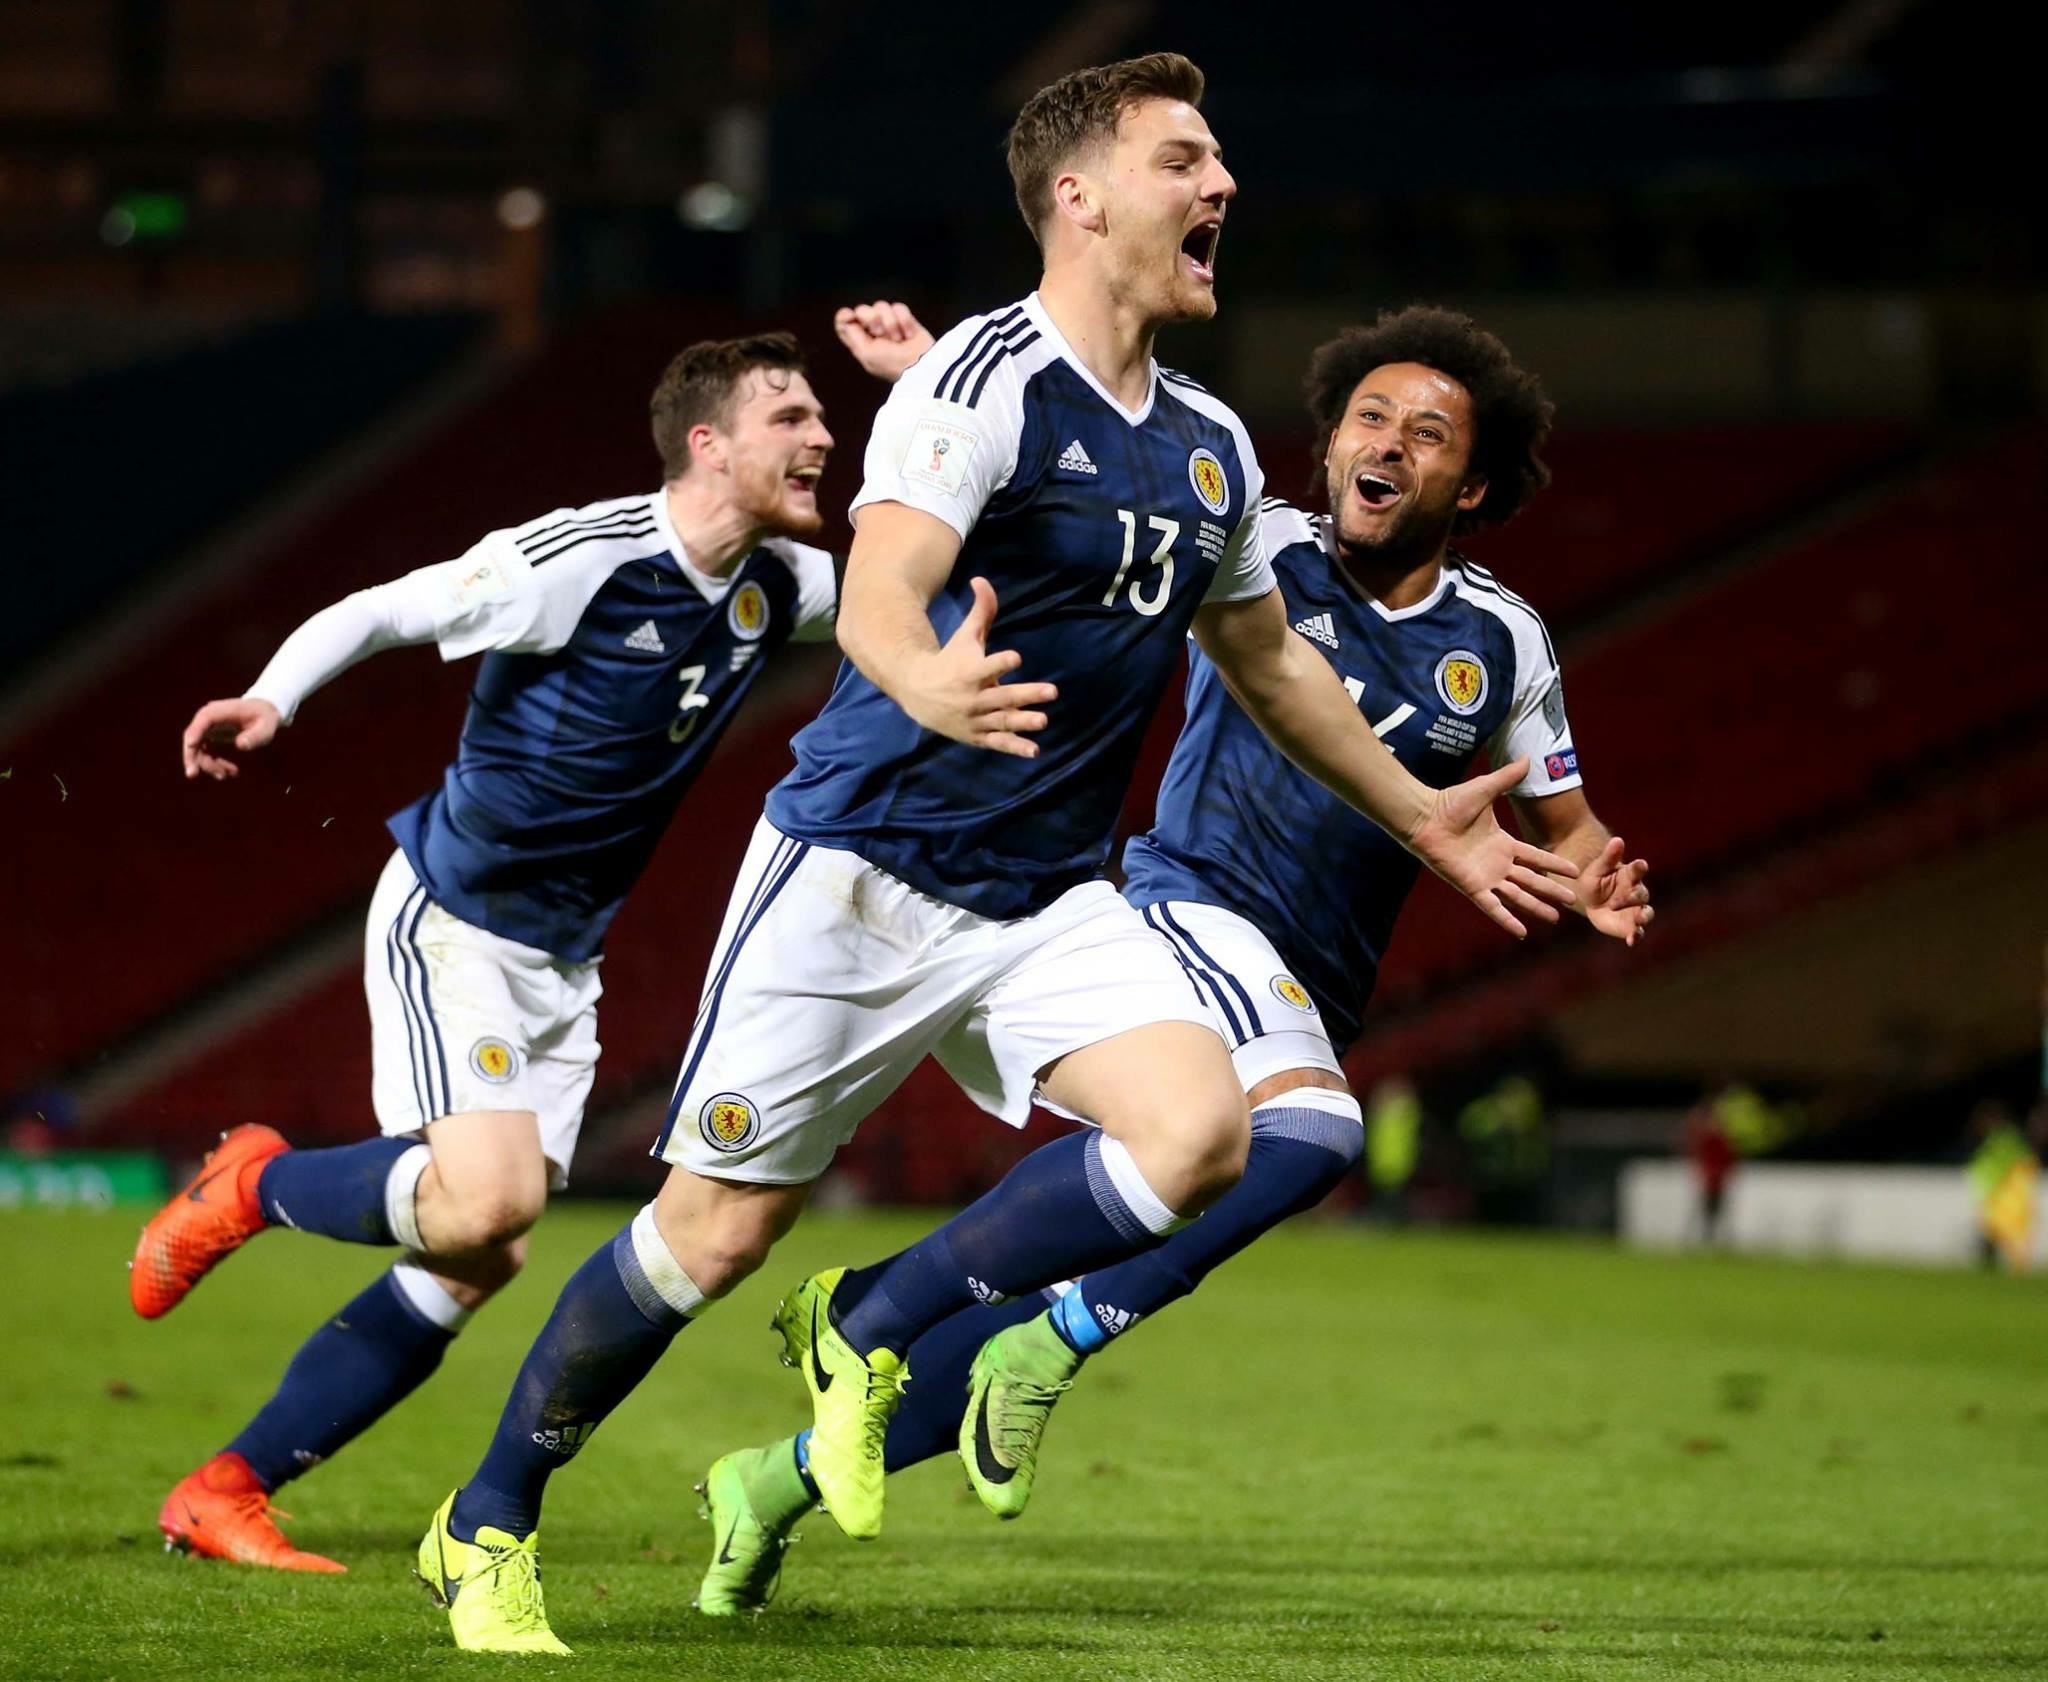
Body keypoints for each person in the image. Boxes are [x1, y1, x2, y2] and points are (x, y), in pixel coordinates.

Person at [415, 56, 1581, 1655]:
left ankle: (872, 1319)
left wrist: (1422, 809)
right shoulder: (979, 382)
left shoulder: (1210, 443)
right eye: (1186, 158)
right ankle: (486, 1520)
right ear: (1080, 198)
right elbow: (882, 590)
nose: (1223, 184)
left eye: (1221, 159)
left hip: (1047, 898)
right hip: (861, 874)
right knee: (708, 1237)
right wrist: (922, 677)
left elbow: (1271, 664)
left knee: (1205, 1134)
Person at [690, 303, 1654, 1616]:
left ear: (1470, 486)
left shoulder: (1503, 641)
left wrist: (1595, 877)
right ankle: (968, 1323)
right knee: (1314, 1135)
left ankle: (773, 1481)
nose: (1386, 442)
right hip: (1184, 905)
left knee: (1079, 1263)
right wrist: (932, 374)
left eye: (1426, 433)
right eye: (1367, 416)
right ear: (1328, 444)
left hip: (1307, 985)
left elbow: (1565, 821)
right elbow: (1086, 477)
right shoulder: (1258, 546)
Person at [127, 323, 893, 1572]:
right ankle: (256, 1182)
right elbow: (385, 607)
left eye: (821, 414)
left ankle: (227, 1486)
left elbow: (916, 583)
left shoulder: (782, 584)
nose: (821, 435)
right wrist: (273, 694)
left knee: (479, 1250)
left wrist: (927, 397)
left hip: (564, 960)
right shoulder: (579, 559)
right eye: (790, 416)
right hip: (458, 918)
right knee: (489, 1199)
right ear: (708, 444)